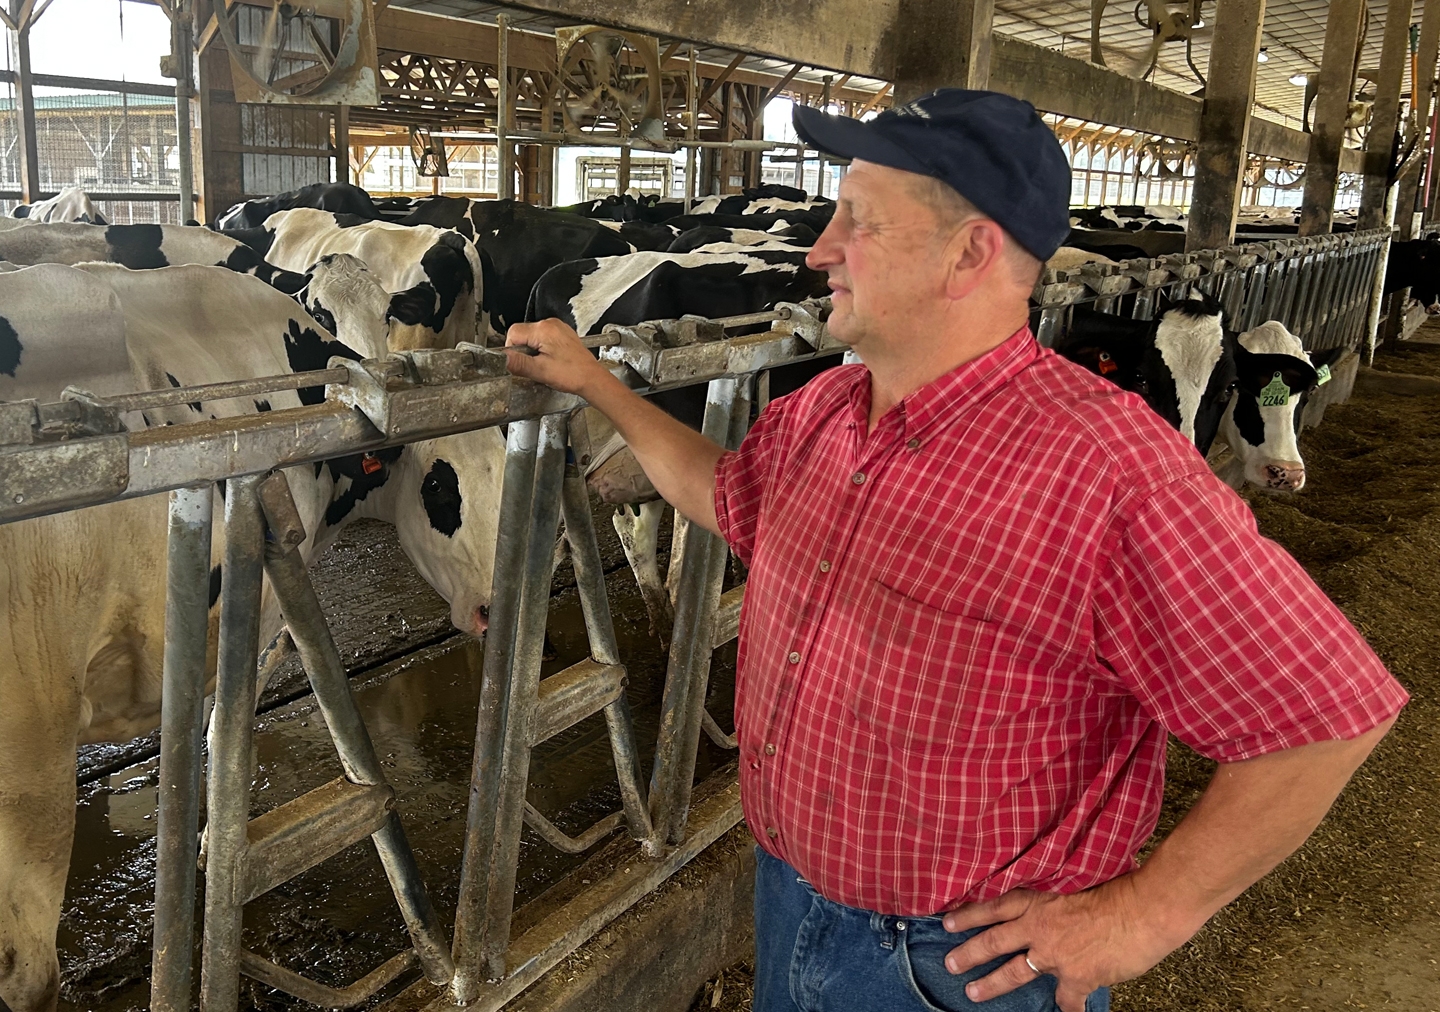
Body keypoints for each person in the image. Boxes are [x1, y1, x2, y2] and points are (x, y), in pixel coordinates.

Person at [503, 88, 1406, 1012]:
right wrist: (596, 385)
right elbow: (725, 497)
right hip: (788, 903)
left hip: (954, 972)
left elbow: (1326, 717)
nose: (819, 250)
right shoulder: (821, 413)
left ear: (969, 252)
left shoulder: (1107, 469)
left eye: (858, 220)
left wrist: (1142, 918)